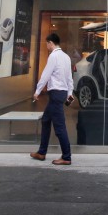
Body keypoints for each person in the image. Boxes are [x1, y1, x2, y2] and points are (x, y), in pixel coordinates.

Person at [30, 33, 74, 166]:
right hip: (62, 93)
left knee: (59, 127)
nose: (46, 46)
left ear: (50, 43)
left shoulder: (53, 56)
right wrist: (70, 93)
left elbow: (46, 75)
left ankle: (66, 156)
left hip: (55, 93)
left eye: (47, 44)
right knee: (46, 120)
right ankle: (41, 152)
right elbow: (69, 78)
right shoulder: (66, 57)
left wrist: (37, 91)